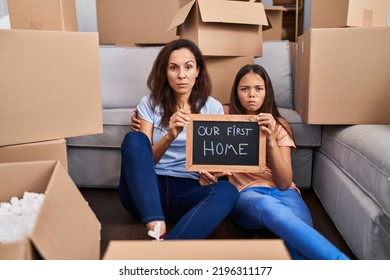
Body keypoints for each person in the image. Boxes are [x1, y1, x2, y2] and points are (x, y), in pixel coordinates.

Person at [198, 64, 350, 260]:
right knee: (267, 205)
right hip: (247, 194)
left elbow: (284, 182)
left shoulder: (279, 125)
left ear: (266, 92)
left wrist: (270, 139)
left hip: (284, 193)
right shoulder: (224, 116)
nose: (251, 94)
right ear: (236, 92)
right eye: (244, 89)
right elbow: (199, 125)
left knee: (300, 239)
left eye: (258, 89)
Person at [119, 39, 239, 241]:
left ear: (198, 71)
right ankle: (156, 226)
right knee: (134, 139)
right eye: (173, 68)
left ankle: (169, 249)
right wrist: (170, 135)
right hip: (147, 190)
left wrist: (212, 174)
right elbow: (146, 160)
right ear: (165, 72)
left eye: (188, 67)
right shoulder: (149, 102)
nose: (181, 75)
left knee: (228, 191)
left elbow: (213, 161)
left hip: (188, 191)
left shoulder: (213, 108)